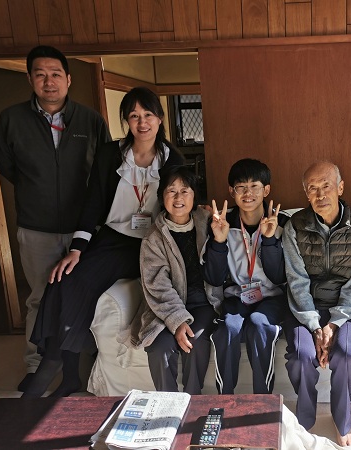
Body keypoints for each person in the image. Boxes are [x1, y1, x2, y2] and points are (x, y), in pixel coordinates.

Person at [22, 86, 184, 398]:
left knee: (82, 284)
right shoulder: (111, 154)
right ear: (126, 121)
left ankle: (49, 371)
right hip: (111, 238)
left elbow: (179, 205)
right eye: (134, 116)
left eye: (148, 114)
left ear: (160, 118)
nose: (142, 122)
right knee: (63, 279)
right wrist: (76, 249)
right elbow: (93, 201)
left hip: (148, 244)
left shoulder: (172, 160)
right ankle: (67, 373)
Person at [0, 45, 111, 391]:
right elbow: (6, 165)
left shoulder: (89, 120)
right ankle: (36, 363)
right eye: (41, 75)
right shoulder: (12, 120)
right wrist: (38, 190)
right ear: (30, 79)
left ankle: (88, 360)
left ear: (68, 79)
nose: (49, 81)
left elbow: (104, 169)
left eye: (56, 74)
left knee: (85, 293)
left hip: (84, 227)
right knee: (39, 296)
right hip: (36, 228)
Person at [282, 161, 351, 448]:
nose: (320, 194)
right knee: (301, 355)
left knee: (347, 354)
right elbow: (296, 281)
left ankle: (342, 420)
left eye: (326, 186)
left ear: (340, 188)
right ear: (306, 194)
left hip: (346, 308)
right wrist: (314, 325)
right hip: (305, 307)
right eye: (313, 188)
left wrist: (333, 324)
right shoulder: (294, 226)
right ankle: (304, 421)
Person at [128, 166, 223, 394]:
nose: (178, 197)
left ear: (194, 196)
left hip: (203, 302)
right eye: (172, 191)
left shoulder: (207, 222)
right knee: (159, 347)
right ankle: (166, 403)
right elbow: (157, 285)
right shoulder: (153, 237)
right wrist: (177, 320)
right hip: (165, 306)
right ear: (162, 197)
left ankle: (192, 399)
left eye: (185, 191)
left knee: (195, 341)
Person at [203, 158, 290, 395]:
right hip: (237, 296)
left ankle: (263, 399)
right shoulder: (222, 222)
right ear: (232, 191)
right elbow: (214, 278)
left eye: (254, 186)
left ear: (266, 190)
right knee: (228, 328)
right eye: (241, 187)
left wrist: (270, 240)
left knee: (260, 324)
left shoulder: (282, 222)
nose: (248, 193)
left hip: (273, 297)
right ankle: (225, 400)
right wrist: (219, 241)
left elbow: (280, 276)